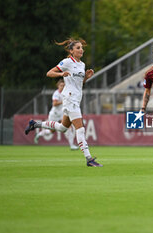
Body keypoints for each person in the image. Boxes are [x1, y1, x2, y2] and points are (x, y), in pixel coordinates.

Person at [25, 38, 102, 167]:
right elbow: (49, 73)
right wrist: (61, 74)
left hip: (76, 99)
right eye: (78, 48)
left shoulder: (82, 65)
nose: (81, 49)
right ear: (71, 51)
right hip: (69, 98)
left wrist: (86, 78)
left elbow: (79, 83)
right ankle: (89, 159)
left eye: (81, 47)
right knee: (80, 129)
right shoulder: (67, 62)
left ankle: (35, 124)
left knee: (62, 128)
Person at [34, 79, 79, 150]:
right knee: (51, 131)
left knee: (69, 127)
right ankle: (39, 134)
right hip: (54, 114)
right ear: (58, 86)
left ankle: (72, 145)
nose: (62, 87)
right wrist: (63, 102)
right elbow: (54, 104)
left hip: (62, 113)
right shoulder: (56, 93)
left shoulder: (66, 93)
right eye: (61, 85)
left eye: (64, 85)